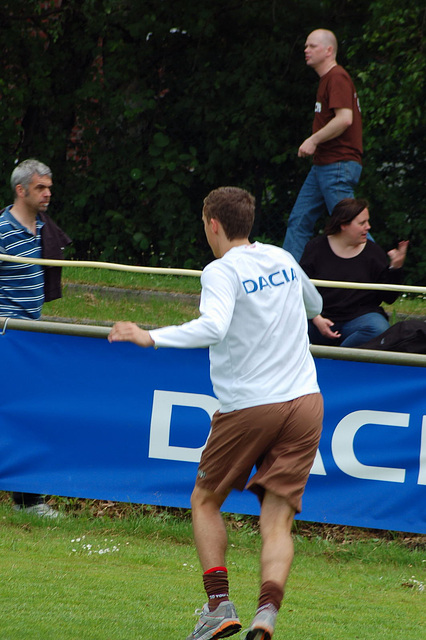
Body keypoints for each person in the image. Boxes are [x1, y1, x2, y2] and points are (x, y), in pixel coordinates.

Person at [109, 186, 324, 640]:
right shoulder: (283, 259)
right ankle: (267, 613)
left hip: (250, 405)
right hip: (306, 402)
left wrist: (151, 336)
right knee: (278, 519)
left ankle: (218, 606)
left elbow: (213, 326)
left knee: (205, 500)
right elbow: (315, 306)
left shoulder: (220, 270)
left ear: (213, 224)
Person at [0, 158, 71, 517]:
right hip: (6, 337)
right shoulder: (1, 230)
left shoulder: (46, 228)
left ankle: (27, 500)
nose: (47, 193)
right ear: (21, 189)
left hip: (32, 337)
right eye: (40, 188)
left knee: (32, 415)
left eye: (49, 188)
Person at [283, 28, 363, 262]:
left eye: (312, 46)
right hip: (325, 165)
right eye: (306, 46)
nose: (306, 50)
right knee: (299, 221)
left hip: (337, 164)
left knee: (352, 226)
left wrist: (313, 139)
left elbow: (344, 118)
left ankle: (378, 279)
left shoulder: (337, 77)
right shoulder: (327, 79)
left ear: (329, 50)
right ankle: (288, 280)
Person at [299, 198, 408, 348]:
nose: (368, 227)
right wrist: (316, 318)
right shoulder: (315, 248)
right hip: (319, 320)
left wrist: (395, 268)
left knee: (377, 328)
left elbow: (389, 297)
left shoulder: (373, 252)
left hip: (359, 321)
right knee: (290, 326)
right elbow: (300, 289)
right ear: (343, 224)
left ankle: (339, 359)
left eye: (367, 222)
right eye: (362, 223)